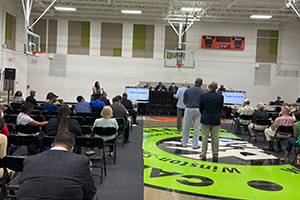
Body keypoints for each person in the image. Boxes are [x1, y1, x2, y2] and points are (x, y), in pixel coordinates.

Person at [18, 132, 97, 200]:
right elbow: (90, 192)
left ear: (52, 145)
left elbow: (22, 184)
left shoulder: (30, 160)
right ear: (72, 149)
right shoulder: (82, 161)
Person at [199, 82, 223, 161]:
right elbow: (220, 108)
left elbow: (200, 107)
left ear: (209, 86)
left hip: (205, 117)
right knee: (215, 137)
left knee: (204, 137)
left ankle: (203, 154)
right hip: (215, 118)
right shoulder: (220, 97)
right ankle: (215, 154)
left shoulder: (203, 95)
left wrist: (204, 114)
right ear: (216, 88)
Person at [181, 78, 206, 149]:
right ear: (201, 83)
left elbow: (184, 100)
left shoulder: (188, 90)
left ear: (194, 82)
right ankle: (195, 145)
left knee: (186, 126)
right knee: (197, 127)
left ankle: (184, 143)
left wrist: (187, 105)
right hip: (198, 109)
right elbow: (204, 102)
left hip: (189, 108)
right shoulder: (203, 92)